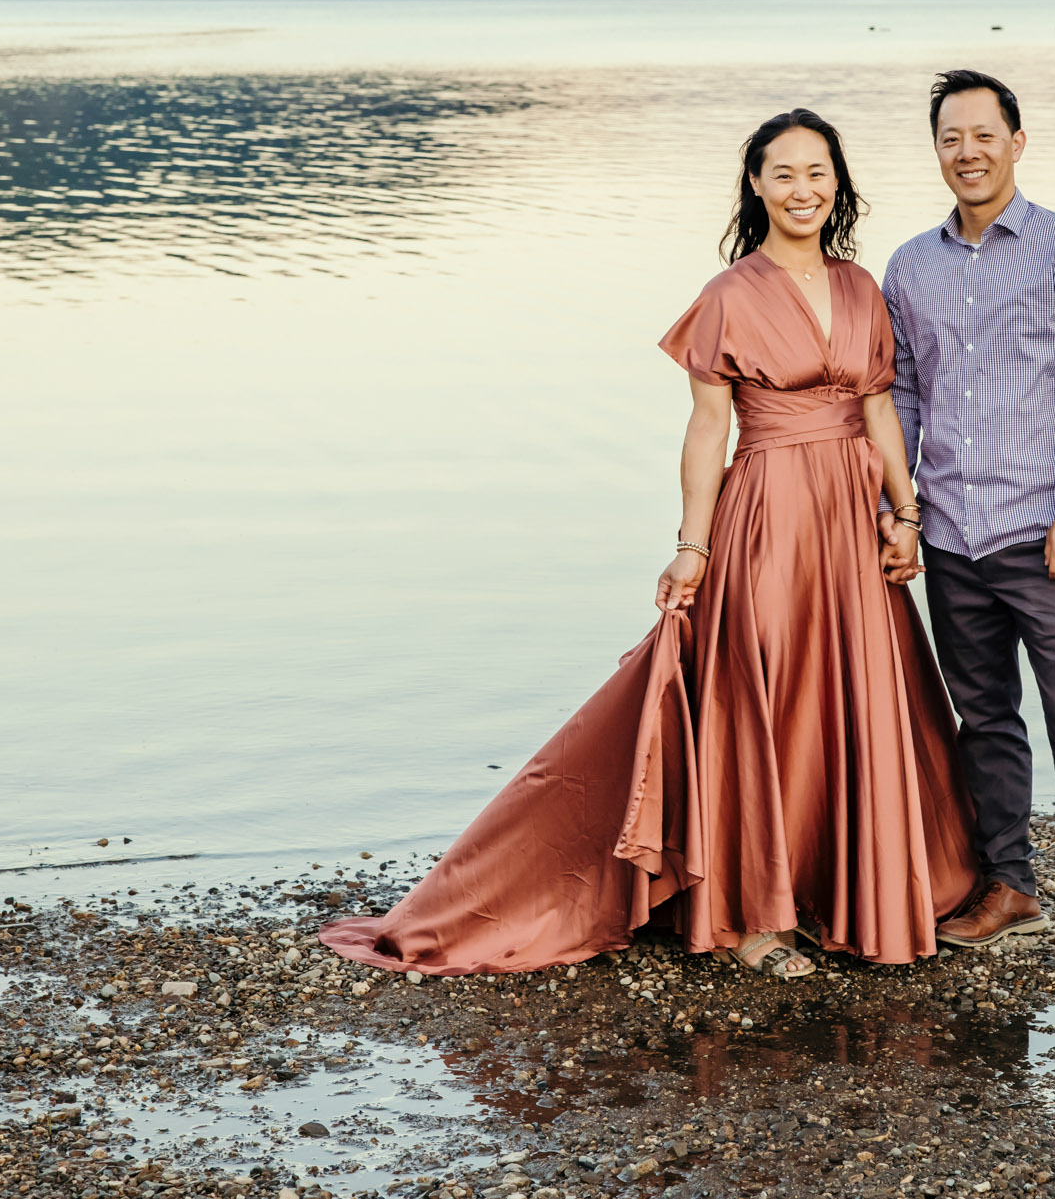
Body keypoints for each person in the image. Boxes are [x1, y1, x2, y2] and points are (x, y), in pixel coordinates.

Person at [317, 109, 977, 979]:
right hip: (769, 517)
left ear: (838, 183)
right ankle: (758, 922)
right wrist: (692, 548)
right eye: (783, 173)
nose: (802, 190)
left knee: (845, 699)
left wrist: (903, 512)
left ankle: (839, 892)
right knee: (766, 704)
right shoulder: (729, 296)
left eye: (817, 173)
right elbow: (708, 433)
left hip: (854, 520)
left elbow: (881, 411)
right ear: (756, 185)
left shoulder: (863, 289)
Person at [880, 68, 1055, 991]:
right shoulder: (910, 266)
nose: (968, 152)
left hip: (1046, 533)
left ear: (1018, 142)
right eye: (951, 138)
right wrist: (899, 508)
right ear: (938, 150)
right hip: (952, 535)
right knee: (984, 720)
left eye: (984, 135)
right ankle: (1008, 885)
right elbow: (905, 395)